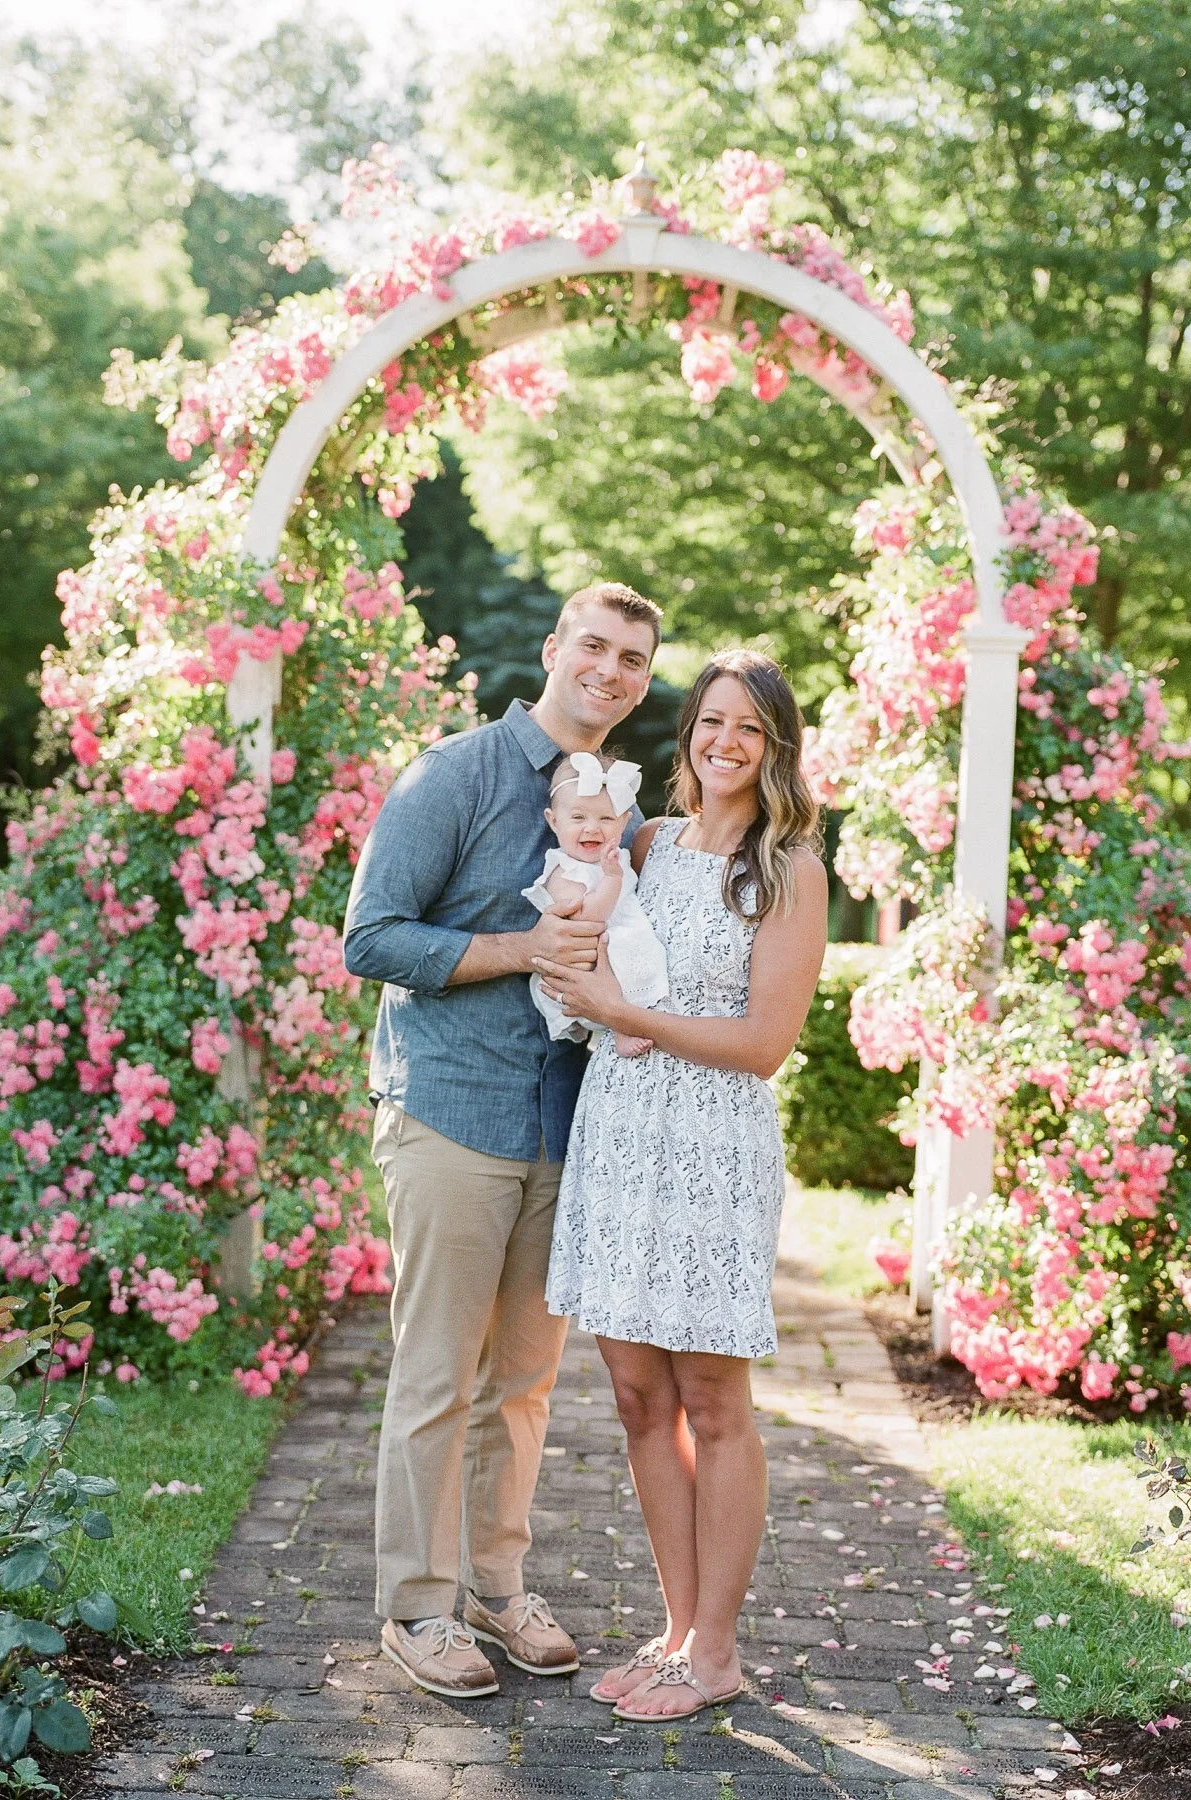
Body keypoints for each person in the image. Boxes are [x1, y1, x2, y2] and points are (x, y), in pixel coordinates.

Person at [342, 580, 662, 1699]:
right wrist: (521, 948)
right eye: (595, 645)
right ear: (552, 647)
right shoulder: (454, 774)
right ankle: (418, 1610)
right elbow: (371, 936)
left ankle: (496, 1588)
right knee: (437, 1372)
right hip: (448, 1110)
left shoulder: (617, 813)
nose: (610, 670)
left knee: (523, 1383)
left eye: (632, 658)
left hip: (562, 1123)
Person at [534, 649, 827, 1722]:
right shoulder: (645, 844)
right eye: (711, 722)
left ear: (775, 745)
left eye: (748, 727)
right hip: (620, 1135)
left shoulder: (788, 867)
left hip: (713, 1146)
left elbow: (761, 1046)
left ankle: (716, 1653)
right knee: (635, 1397)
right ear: (688, 734)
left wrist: (625, 1016)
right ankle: (672, 1631)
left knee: (714, 1397)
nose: (725, 743)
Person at [522, 751, 668, 1058]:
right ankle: (620, 1029)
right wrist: (612, 878)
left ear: (624, 822)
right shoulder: (563, 870)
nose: (592, 828)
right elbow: (588, 920)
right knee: (611, 955)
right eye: (578, 818)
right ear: (554, 821)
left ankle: (640, 1015)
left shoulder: (618, 857)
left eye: (606, 818)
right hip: (583, 965)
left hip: (621, 942)